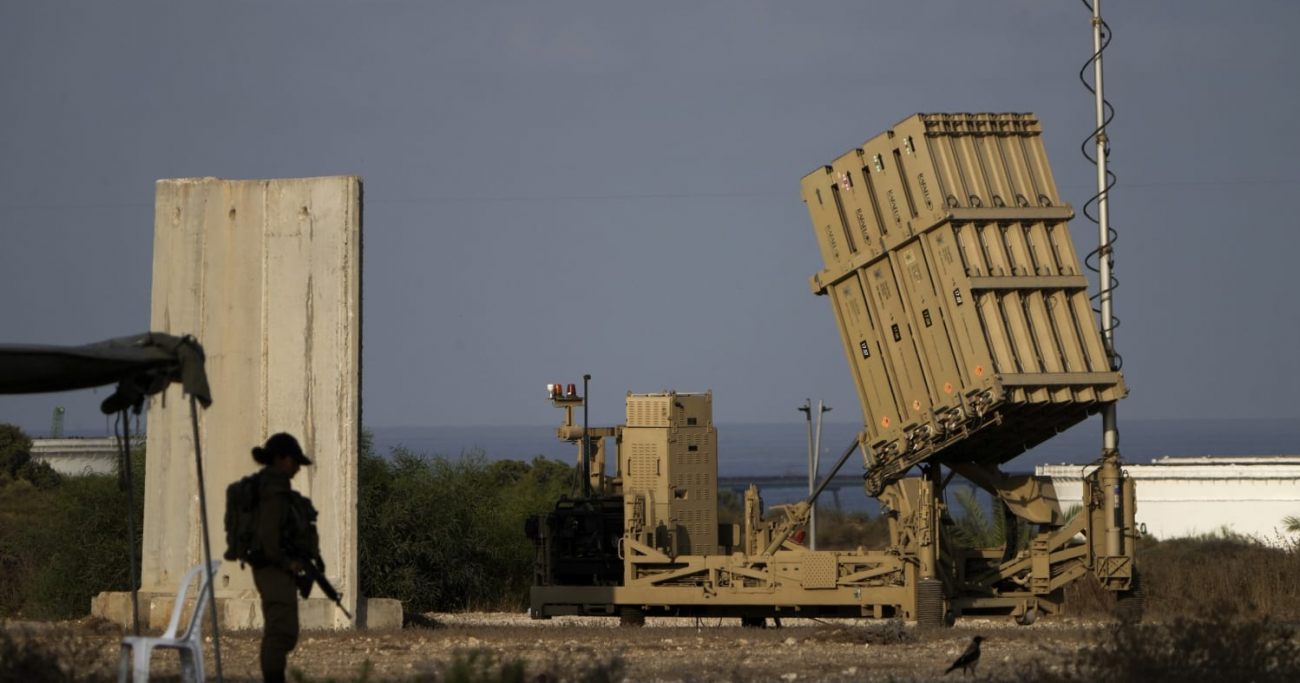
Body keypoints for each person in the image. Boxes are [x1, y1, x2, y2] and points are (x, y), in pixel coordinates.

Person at [250, 432, 314, 683]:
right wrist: (287, 562)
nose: (297, 468)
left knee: (283, 631)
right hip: (272, 568)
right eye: (294, 461)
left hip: (273, 566)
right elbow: (269, 538)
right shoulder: (273, 491)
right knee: (280, 633)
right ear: (280, 459)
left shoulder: (274, 488)